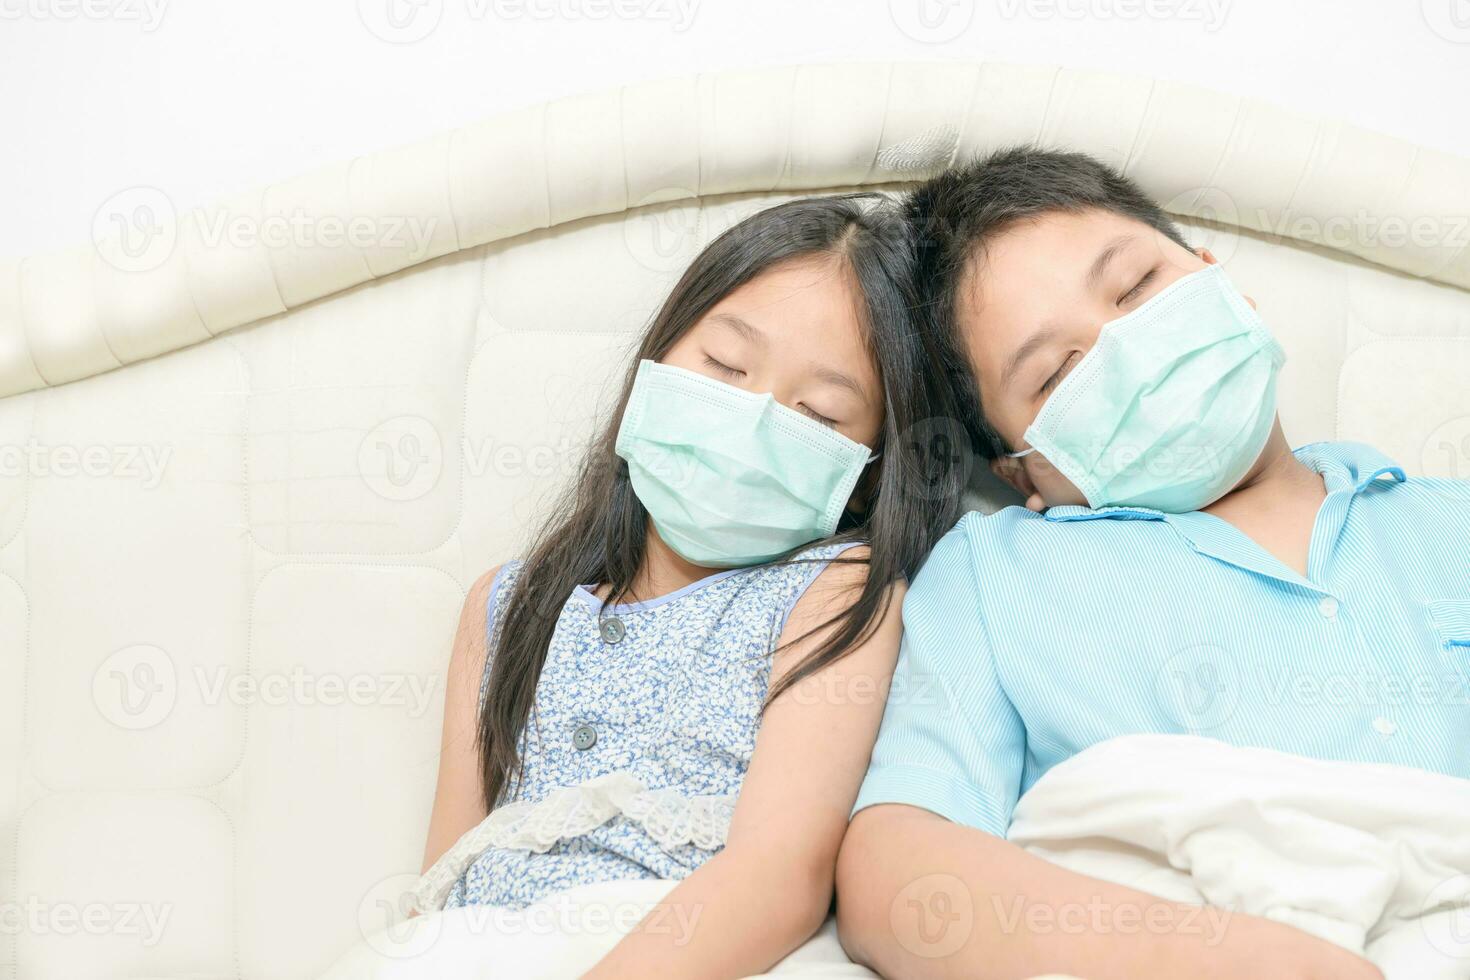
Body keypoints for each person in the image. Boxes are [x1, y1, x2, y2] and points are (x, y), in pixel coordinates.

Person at [834, 147, 1470, 980]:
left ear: (1220, 282)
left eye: (1136, 289)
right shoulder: (999, 575)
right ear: (1021, 469)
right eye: (1058, 372)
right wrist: (1214, 956)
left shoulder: (1445, 519)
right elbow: (896, 868)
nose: (1128, 351)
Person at [406, 194, 970, 978]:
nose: (754, 422)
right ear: (661, 357)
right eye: (725, 367)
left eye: (820, 413)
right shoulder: (506, 605)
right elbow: (443, 876)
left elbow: (779, 878)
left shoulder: (837, 595)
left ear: (868, 477)